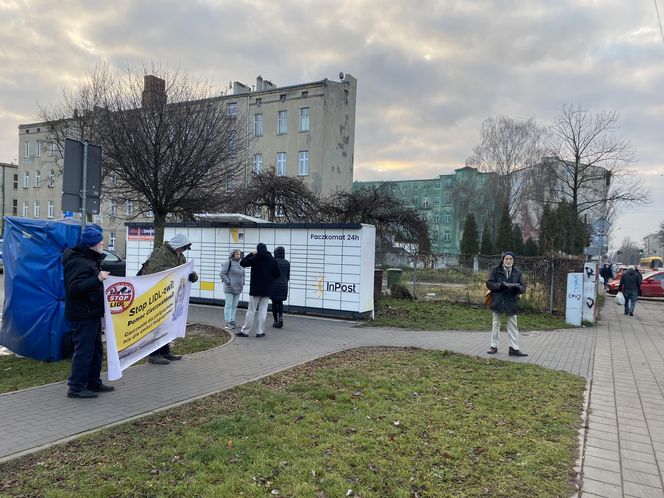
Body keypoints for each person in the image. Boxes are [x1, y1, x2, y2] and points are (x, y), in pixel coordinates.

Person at [62, 226, 114, 398]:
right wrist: (97, 279)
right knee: (84, 350)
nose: (103, 243)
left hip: (92, 312)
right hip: (82, 314)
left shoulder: (90, 259)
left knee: (96, 350)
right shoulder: (77, 261)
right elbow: (74, 288)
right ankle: (76, 387)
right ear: (92, 243)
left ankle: (93, 382)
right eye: (100, 240)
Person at [143, 233, 199, 364]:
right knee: (157, 325)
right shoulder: (160, 253)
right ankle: (153, 354)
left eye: (184, 249)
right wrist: (178, 271)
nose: (183, 251)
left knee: (168, 324)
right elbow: (155, 269)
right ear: (176, 245)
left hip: (172, 295)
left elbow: (186, 269)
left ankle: (165, 351)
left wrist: (192, 276)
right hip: (158, 294)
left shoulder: (180, 256)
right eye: (182, 248)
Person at [485, 250, 528, 357]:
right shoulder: (495, 270)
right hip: (498, 301)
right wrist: (501, 285)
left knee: (513, 325)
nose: (508, 261)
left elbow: (523, 287)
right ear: (503, 260)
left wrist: (516, 288)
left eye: (510, 259)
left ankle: (514, 348)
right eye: (506, 259)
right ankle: (493, 346)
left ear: (513, 261)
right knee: (496, 324)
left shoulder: (517, 272)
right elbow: (489, 284)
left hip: (511, 302)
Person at [236, 243, 280, 338]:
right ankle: (260, 332)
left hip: (255, 289)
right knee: (263, 311)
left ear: (258, 250)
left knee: (251, 311)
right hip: (267, 290)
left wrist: (251, 253)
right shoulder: (272, 260)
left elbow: (242, 263)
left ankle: (245, 332)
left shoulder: (256, 258)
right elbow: (277, 274)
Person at [219, 249, 245, 329]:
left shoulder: (240, 264)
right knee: (229, 305)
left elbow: (243, 274)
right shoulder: (228, 263)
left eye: (239, 254)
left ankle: (232, 321)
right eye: (237, 254)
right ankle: (228, 322)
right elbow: (222, 274)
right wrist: (229, 282)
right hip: (229, 288)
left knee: (234, 305)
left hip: (238, 288)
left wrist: (243, 283)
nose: (238, 256)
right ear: (232, 255)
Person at [270, 246, 291, 329]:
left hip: (274, 285)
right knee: (280, 302)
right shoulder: (287, 263)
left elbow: (271, 274)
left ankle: (275, 321)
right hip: (284, 285)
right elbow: (288, 276)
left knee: (274, 303)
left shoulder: (273, 261)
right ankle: (281, 317)